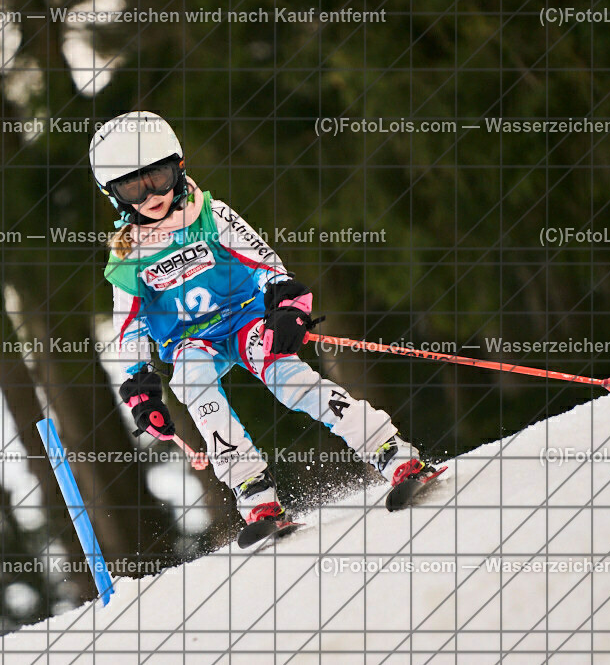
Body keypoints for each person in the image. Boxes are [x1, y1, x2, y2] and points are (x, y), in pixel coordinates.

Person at [90, 111, 433, 525]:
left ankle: (390, 450)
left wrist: (287, 307)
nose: (151, 196)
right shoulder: (127, 256)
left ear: (178, 168)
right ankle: (253, 491)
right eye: (133, 188)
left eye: (158, 178)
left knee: (290, 380)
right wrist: (139, 385)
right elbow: (130, 324)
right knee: (190, 380)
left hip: (244, 321)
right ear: (114, 196)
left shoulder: (210, 215)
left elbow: (264, 263)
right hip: (189, 342)